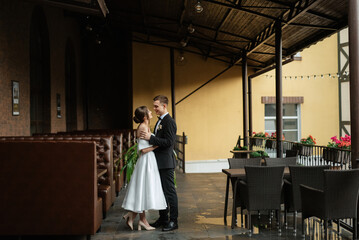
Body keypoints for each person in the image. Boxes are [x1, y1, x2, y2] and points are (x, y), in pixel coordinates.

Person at [122, 106, 167, 231]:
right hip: (146, 160)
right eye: (149, 111)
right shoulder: (142, 127)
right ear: (144, 117)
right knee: (144, 189)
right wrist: (157, 145)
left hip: (149, 160)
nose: (151, 112)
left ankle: (134, 216)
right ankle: (141, 220)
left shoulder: (145, 126)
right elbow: (142, 150)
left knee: (144, 189)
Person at [140, 95, 179, 231]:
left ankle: (173, 221)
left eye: (156, 106)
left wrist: (151, 138)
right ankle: (163, 218)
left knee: (169, 192)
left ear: (164, 106)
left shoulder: (169, 122)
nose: (154, 108)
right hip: (158, 161)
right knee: (161, 192)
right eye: (154, 106)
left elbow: (169, 142)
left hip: (166, 162)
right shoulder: (160, 121)